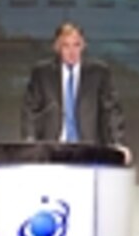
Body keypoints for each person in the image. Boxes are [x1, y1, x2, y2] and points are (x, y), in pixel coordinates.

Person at [21, 22, 131, 164]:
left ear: (83, 46)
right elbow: (30, 111)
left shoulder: (98, 73)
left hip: (89, 149)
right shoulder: (42, 73)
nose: (72, 51)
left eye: (76, 45)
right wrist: (30, 142)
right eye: (66, 45)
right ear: (57, 47)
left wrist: (118, 143)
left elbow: (112, 111)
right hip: (52, 150)